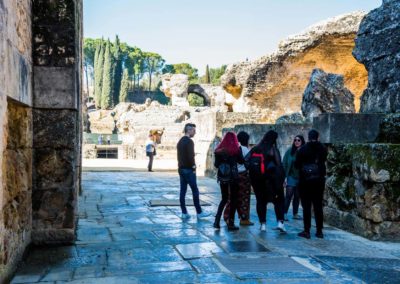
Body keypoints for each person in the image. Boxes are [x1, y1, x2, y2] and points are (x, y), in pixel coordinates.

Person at [247, 130, 286, 232]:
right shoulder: (273, 150)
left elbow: (246, 160)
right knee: (278, 201)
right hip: (271, 181)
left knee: (260, 202)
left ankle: (263, 225)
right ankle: (280, 223)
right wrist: (282, 180)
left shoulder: (255, 149)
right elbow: (279, 166)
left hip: (258, 181)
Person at [295, 129, 328, 239]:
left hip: (305, 181)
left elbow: (297, 165)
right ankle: (319, 231)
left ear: (308, 137)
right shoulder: (323, 148)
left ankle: (307, 230)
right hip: (319, 181)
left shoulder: (303, 149)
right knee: (318, 206)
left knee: (306, 207)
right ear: (318, 137)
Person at [177, 123, 209, 219]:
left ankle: (184, 212)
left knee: (183, 191)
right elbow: (191, 157)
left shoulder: (180, 141)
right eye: (194, 130)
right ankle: (199, 212)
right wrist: (194, 167)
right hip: (188, 170)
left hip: (181, 169)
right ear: (189, 130)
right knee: (195, 191)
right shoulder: (189, 142)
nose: (195, 132)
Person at [213, 131, 244, 231]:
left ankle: (216, 221)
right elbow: (241, 161)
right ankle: (231, 223)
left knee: (224, 199)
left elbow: (216, 165)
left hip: (223, 177)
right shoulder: (236, 149)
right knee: (234, 200)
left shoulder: (219, 151)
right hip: (234, 177)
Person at [222, 131, 254, 226]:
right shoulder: (245, 150)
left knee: (231, 197)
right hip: (243, 176)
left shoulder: (231, 148)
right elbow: (248, 164)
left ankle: (227, 217)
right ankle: (244, 218)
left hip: (232, 176)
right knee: (244, 198)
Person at [282, 135, 305, 221]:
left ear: (302, 141)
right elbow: (284, 164)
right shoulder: (289, 151)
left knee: (297, 196)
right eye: (295, 140)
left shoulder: (304, 151)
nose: (296, 141)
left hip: (301, 178)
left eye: (299, 140)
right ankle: (284, 213)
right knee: (288, 195)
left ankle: (295, 213)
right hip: (291, 176)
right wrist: (284, 178)